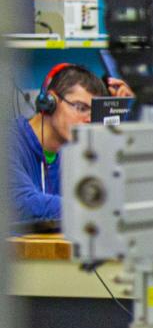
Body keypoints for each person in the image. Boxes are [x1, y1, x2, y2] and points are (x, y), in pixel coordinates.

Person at [11, 63, 131, 226]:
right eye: (81, 108)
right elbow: (23, 204)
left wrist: (129, 112)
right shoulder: (9, 141)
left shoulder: (71, 151)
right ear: (50, 101)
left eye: (93, 112)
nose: (89, 119)